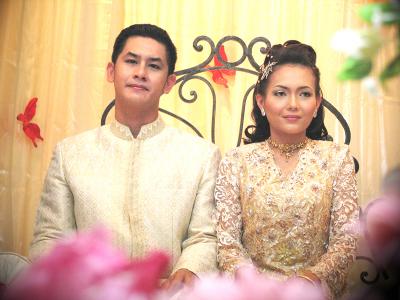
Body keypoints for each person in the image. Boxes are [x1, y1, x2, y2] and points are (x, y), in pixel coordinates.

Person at [30, 24, 221, 290]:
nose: (140, 73)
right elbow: (50, 236)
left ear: (168, 83)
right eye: (131, 61)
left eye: (154, 66)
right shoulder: (70, 154)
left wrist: (189, 269)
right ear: (111, 71)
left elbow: (205, 236)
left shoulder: (200, 156)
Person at [215, 40, 359, 299]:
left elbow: (346, 242)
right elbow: (227, 245)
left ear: (317, 103)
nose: (293, 104)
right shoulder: (236, 161)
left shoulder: (338, 159)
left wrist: (309, 280)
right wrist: (257, 287)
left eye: (304, 94)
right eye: (280, 93)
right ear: (261, 102)